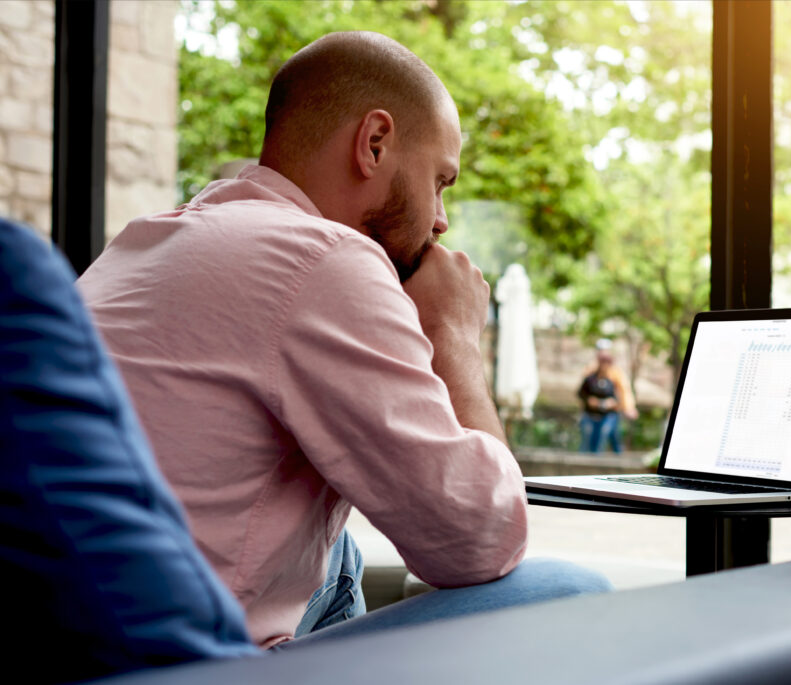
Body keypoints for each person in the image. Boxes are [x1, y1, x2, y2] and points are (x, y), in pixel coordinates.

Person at [76, 31, 610, 649]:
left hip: (74, 630)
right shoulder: (325, 257)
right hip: (181, 662)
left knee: (337, 554)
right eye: (440, 180)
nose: (441, 219)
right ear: (375, 144)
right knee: (573, 593)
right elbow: (480, 540)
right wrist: (453, 334)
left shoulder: (145, 242)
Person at [577, 339, 638, 453]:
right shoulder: (590, 370)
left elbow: (624, 390)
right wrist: (588, 402)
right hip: (593, 413)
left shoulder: (616, 372)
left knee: (611, 438)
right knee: (591, 440)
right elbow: (583, 391)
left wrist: (629, 407)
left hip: (611, 413)